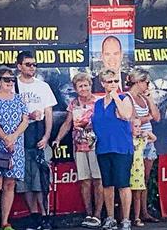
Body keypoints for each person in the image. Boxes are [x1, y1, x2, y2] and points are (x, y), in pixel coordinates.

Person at [52, 72, 103, 229]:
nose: (84, 88)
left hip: (97, 146)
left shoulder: (98, 102)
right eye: (80, 86)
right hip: (79, 147)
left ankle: (98, 215)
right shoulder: (73, 104)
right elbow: (68, 123)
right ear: (75, 88)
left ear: (90, 86)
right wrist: (58, 139)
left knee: (98, 180)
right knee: (85, 181)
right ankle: (88, 213)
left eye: (86, 85)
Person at [0, 67, 29, 230]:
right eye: (6, 79)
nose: (10, 82)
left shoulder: (19, 99)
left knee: (10, 184)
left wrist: (13, 137)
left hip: (15, 146)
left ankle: (5, 222)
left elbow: (25, 121)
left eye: (12, 79)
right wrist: (5, 138)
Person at [14, 51, 57, 230]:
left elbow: (49, 114)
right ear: (19, 66)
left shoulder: (43, 86)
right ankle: (34, 216)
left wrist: (47, 136)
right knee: (25, 182)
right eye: (28, 64)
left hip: (38, 134)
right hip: (19, 137)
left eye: (34, 64)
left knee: (41, 180)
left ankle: (46, 215)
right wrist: (28, 116)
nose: (32, 67)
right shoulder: (12, 85)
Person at [91, 68, 134, 230]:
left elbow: (126, 115)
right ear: (103, 83)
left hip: (121, 147)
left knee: (123, 184)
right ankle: (110, 217)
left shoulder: (125, 98)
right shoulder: (98, 103)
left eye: (116, 81)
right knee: (107, 184)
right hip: (103, 148)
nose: (113, 84)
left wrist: (115, 96)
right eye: (109, 81)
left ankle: (126, 219)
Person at [124, 68, 161, 224]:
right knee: (132, 179)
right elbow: (133, 120)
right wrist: (148, 117)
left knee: (144, 179)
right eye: (146, 82)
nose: (148, 85)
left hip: (148, 142)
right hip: (136, 142)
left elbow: (157, 117)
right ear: (138, 82)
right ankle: (131, 213)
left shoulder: (144, 98)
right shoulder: (127, 98)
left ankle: (143, 212)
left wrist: (150, 100)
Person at [128, 118, 156, 228]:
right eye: (136, 126)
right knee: (125, 194)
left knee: (137, 195)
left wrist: (147, 132)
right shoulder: (127, 140)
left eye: (139, 126)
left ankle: (137, 217)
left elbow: (154, 138)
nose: (138, 129)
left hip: (138, 172)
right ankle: (123, 217)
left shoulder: (141, 141)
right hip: (128, 171)